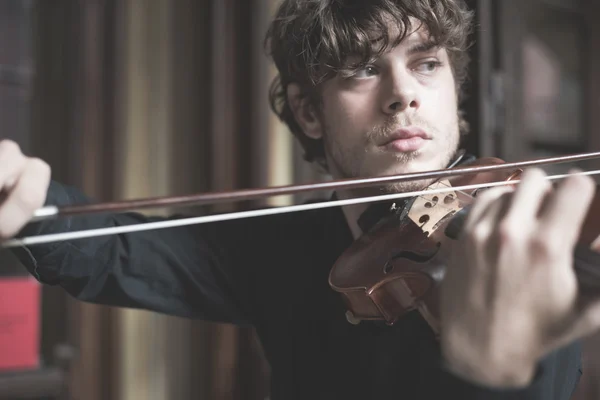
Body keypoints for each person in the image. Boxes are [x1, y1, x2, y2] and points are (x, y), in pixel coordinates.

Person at [1, 0, 598, 398]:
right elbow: (116, 252)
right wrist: (26, 197)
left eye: (427, 65)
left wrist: (504, 365)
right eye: (363, 70)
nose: (404, 95)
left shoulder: (523, 228)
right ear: (310, 111)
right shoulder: (274, 247)